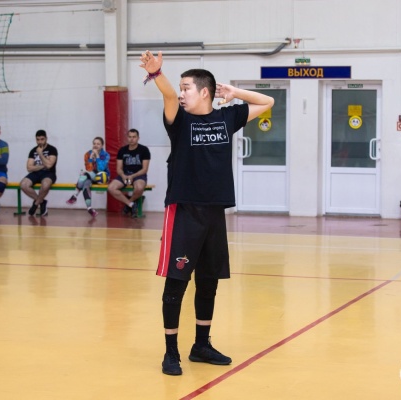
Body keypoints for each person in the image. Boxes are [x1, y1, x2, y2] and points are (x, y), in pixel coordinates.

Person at [140, 51, 274, 375]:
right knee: (176, 285)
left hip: (214, 213)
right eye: (181, 88)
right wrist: (157, 75)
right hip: (184, 211)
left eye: (187, 88)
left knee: (208, 282)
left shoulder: (226, 118)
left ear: (204, 92)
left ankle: (201, 345)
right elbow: (168, 96)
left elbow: (267, 102)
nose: (181, 93)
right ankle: (171, 352)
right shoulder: (179, 121)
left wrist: (235, 92)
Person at [107, 129, 151, 218]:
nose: (131, 139)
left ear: (138, 138)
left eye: (134, 137)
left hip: (138, 175)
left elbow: (144, 169)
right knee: (111, 188)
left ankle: (128, 204)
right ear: (127, 138)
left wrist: (133, 176)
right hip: (125, 174)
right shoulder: (122, 150)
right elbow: (119, 168)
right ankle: (131, 204)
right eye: (130, 137)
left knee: (139, 188)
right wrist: (123, 176)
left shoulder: (144, 150)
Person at [66, 136, 110, 218]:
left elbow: (101, 169)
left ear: (102, 145)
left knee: (84, 175)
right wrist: (90, 158)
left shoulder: (106, 155)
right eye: (94, 143)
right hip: (91, 176)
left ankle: (75, 195)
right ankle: (90, 209)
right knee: (86, 184)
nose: (96, 145)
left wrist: (97, 156)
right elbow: (89, 169)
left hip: (103, 177)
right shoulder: (87, 154)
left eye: (98, 144)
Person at [20, 130, 58, 217]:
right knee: (23, 185)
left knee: (45, 184)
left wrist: (40, 154)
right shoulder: (33, 150)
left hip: (49, 173)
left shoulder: (52, 149)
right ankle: (42, 202)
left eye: (42, 139)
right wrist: (43, 166)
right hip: (35, 173)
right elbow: (29, 168)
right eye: (38, 139)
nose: (40, 142)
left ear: (46, 139)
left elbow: (49, 166)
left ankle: (36, 204)